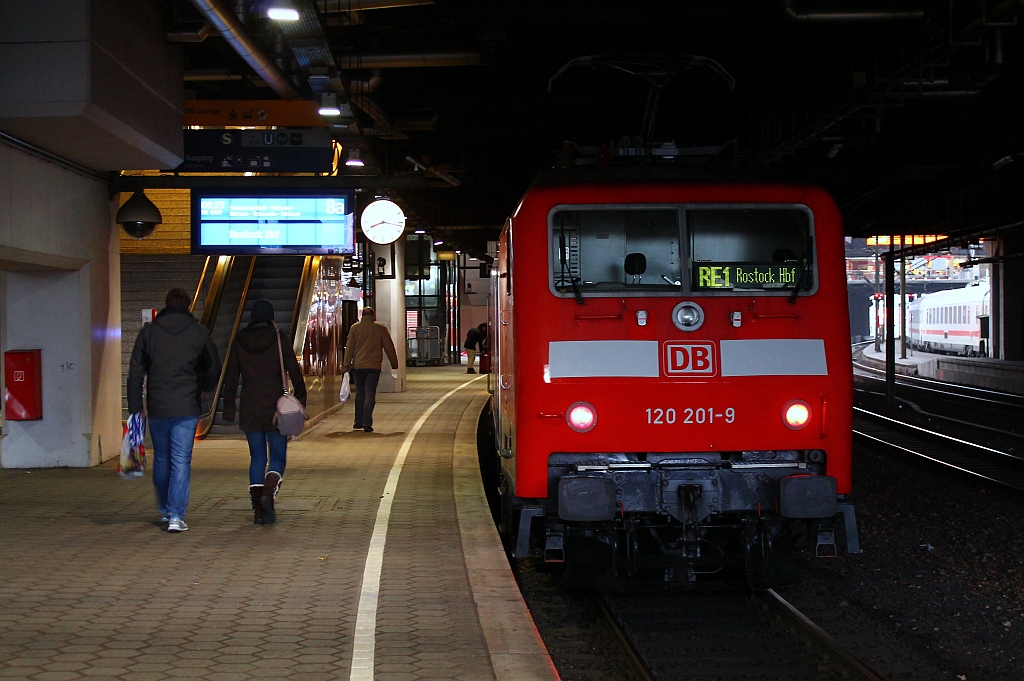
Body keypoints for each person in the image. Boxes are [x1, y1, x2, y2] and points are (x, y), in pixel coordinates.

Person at [127, 288, 221, 534]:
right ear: (189, 306)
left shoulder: (149, 333)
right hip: (187, 406)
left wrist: (137, 408)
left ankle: (166, 509)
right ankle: (176, 516)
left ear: (166, 305)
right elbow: (213, 366)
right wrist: (205, 388)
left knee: (162, 458)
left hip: (158, 407)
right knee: (181, 461)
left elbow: (136, 372)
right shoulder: (198, 332)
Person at [221, 299, 306, 526]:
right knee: (278, 457)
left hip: (250, 407)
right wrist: (301, 396)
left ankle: (259, 510)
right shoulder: (279, 338)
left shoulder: (239, 341)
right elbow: (294, 370)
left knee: (257, 457)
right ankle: (269, 492)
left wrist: (229, 408)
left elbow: (231, 377)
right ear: (270, 317)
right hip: (276, 409)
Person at [343, 306, 399, 433]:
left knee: (360, 393)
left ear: (362, 315)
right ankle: (367, 422)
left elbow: (349, 347)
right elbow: (389, 347)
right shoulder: (380, 328)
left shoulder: (355, 328)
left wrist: (346, 364)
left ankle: (358, 422)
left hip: (358, 367)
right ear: (373, 316)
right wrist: (394, 363)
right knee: (370, 393)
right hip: (373, 367)